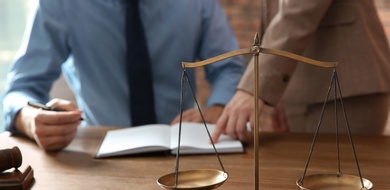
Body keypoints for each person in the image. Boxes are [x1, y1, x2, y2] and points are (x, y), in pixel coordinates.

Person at [1, 0, 244, 151]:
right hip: (97, 152)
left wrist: (218, 107)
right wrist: (30, 119)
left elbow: (228, 66)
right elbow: (21, 88)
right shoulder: (60, 4)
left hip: (184, 148)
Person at [212, 0, 390, 143]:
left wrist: (256, 85)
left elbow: (298, 9)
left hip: (346, 85)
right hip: (301, 85)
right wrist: (278, 91)